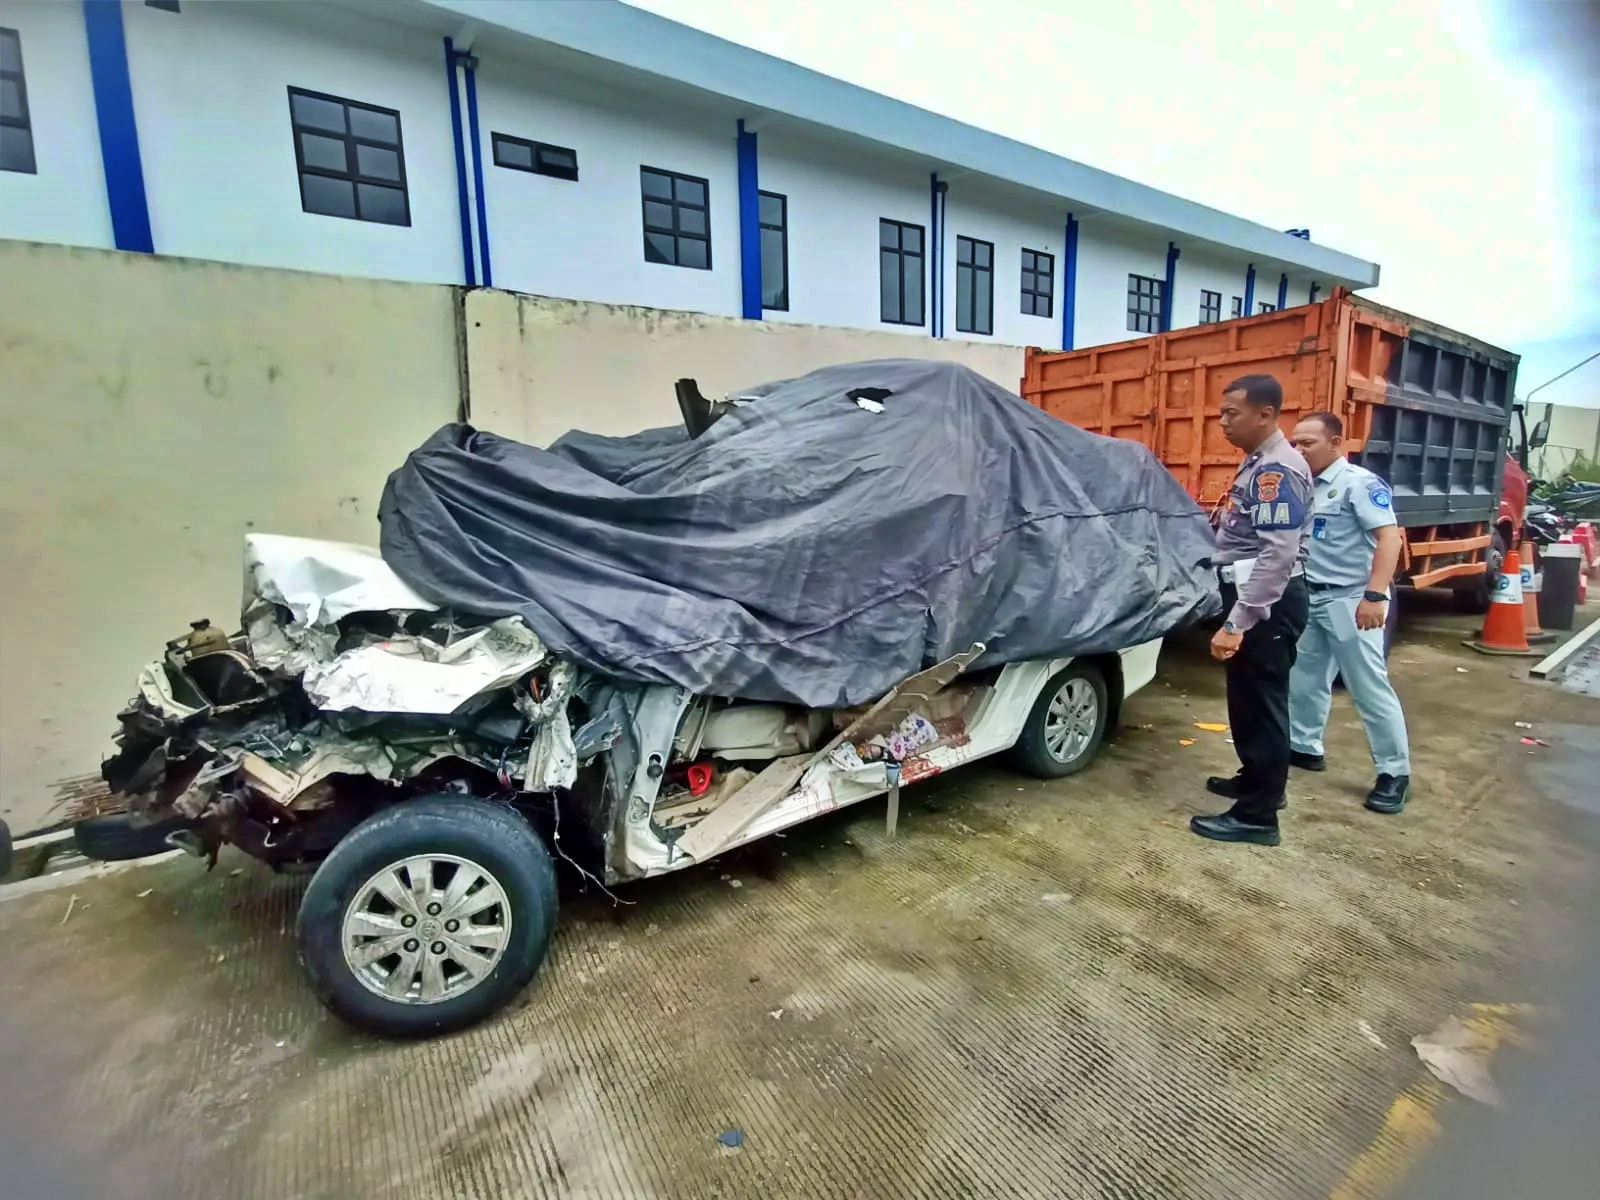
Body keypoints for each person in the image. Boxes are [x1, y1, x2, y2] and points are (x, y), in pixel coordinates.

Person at [1192, 374, 1312, 847]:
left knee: (1262, 706)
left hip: (1267, 603)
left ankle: (1259, 816)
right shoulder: (1260, 463)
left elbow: (1276, 554)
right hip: (1256, 595)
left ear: (1265, 414)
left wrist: (1238, 622)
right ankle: (1255, 781)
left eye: (1231, 413)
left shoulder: (1274, 471)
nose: (1222, 422)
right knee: (1246, 699)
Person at [1285, 411, 1411, 813]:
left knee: (1367, 687)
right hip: (1311, 596)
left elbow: (1389, 538)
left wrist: (1374, 596)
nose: (1299, 450)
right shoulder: (1305, 485)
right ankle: (1304, 746)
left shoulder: (1358, 484)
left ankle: (1394, 773)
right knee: (1304, 678)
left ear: (1336, 443)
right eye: (1294, 443)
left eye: (1308, 443)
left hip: (1348, 601)